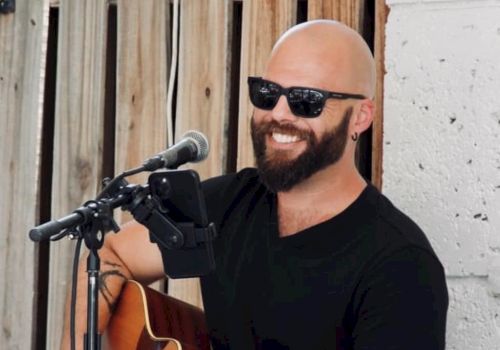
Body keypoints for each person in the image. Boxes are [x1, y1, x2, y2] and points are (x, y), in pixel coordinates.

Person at [61, 20, 448, 349]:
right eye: (267, 93)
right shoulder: (226, 206)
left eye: (306, 101)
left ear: (361, 117)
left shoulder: (400, 267)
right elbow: (111, 254)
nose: (278, 114)